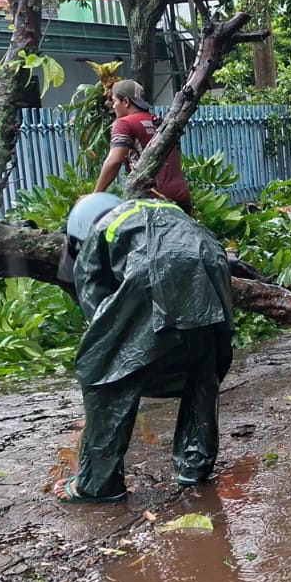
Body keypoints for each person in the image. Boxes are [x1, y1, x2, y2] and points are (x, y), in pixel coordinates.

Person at [53, 192, 234, 502]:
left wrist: (110, 350)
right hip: (211, 258)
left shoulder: (99, 230)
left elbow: (94, 302)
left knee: (100, 371)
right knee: (201, 367)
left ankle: (97, 485)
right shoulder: (156, 210)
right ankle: (195, 465)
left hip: (152, 265)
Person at [95, 79, 192, 215]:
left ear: (126, 102)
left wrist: (96, 194)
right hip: (181, 196)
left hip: (153, 200)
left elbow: (115, 160)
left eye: (114, 101)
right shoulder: (160, 121)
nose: (113, 106)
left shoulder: (124, 123)